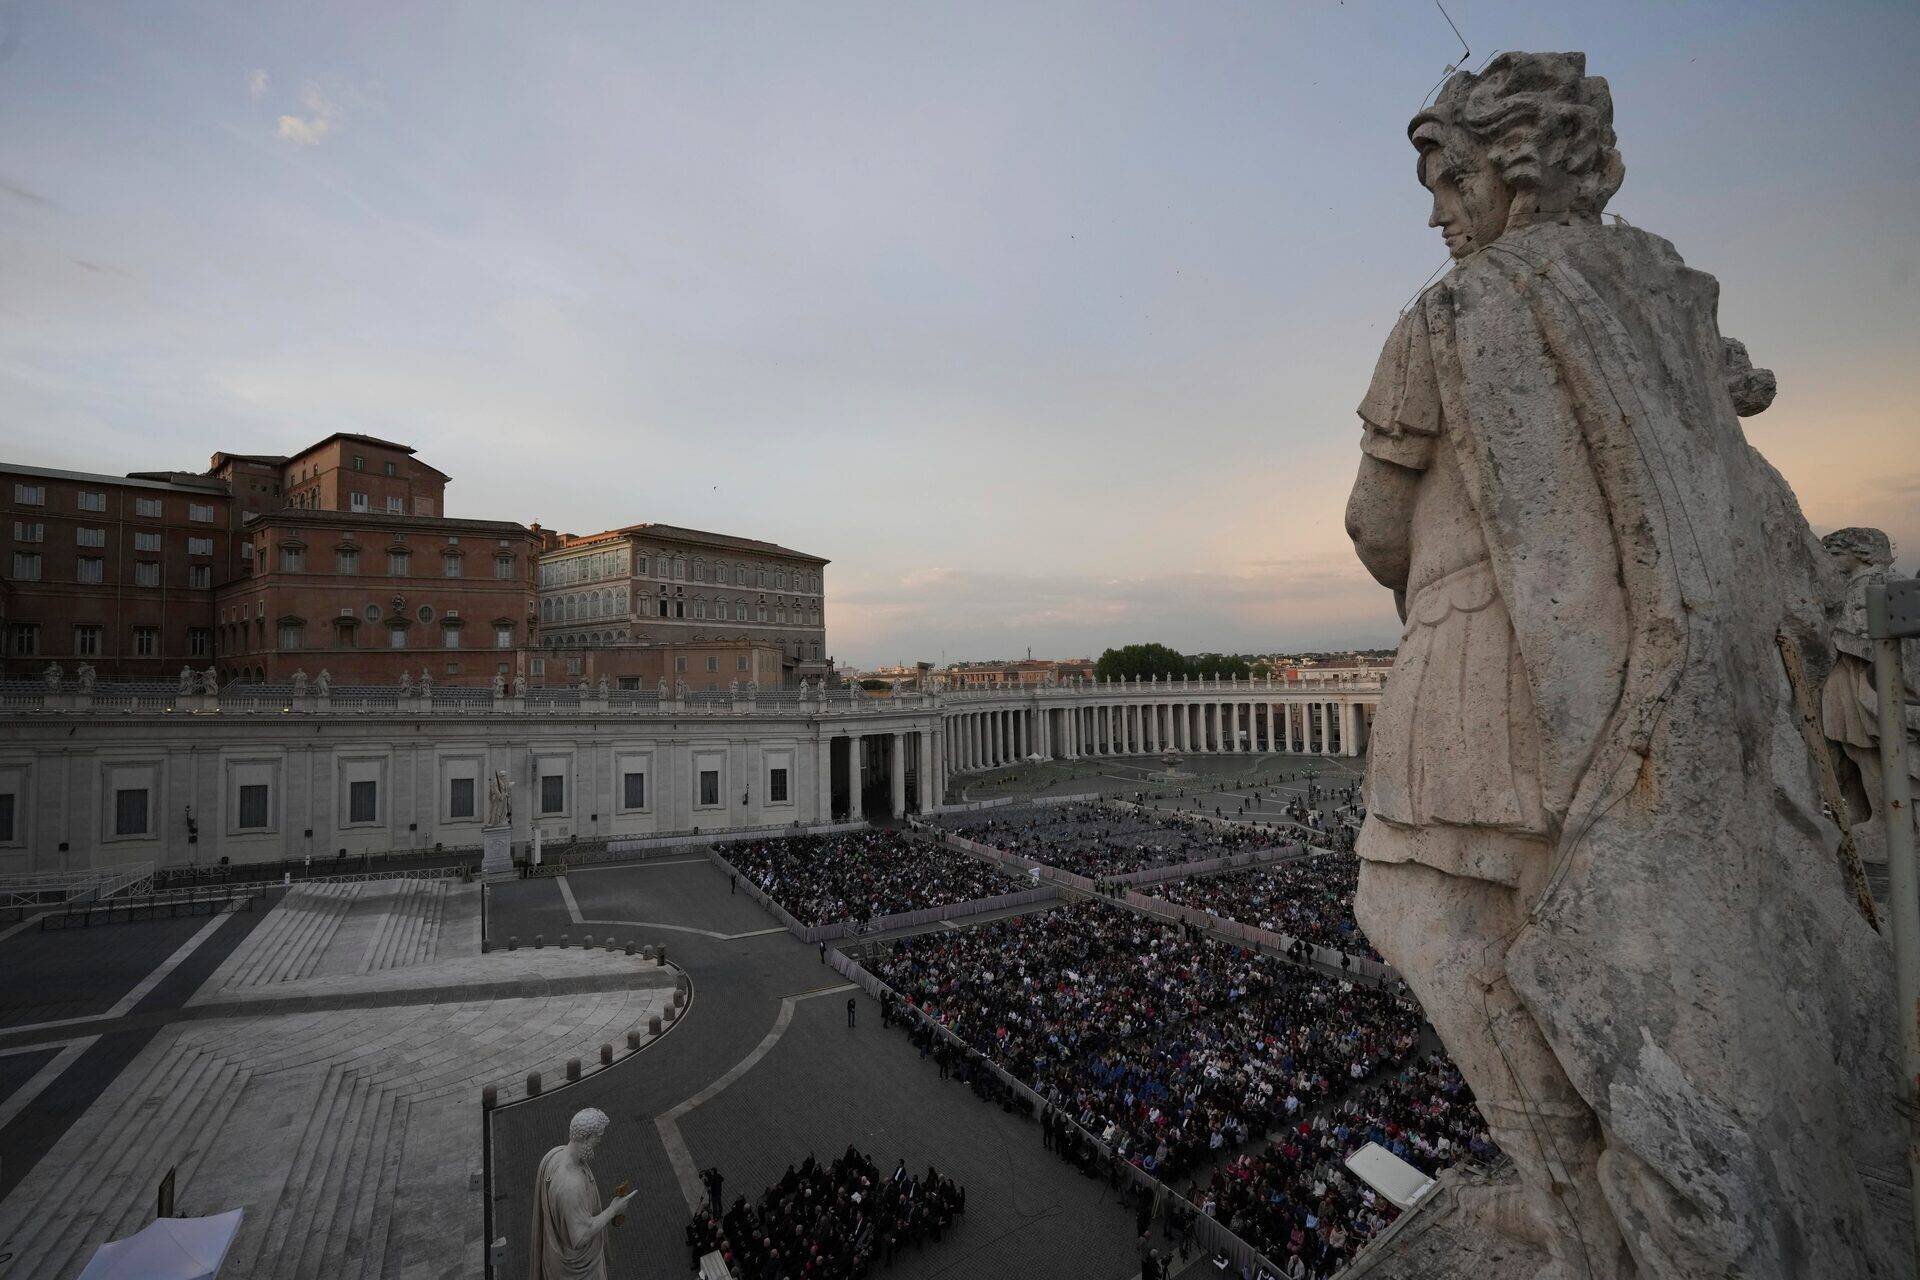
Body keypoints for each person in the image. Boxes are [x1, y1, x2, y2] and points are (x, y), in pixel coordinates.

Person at [530, 1107, 636, 1280]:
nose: (599, 1141)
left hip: (558, 1256)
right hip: (578, 1269)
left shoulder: (555, 1155)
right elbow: (580, 1237)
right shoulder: (570, 1185)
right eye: (598, 1137)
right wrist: (613, 1210)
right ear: (586, 1137)